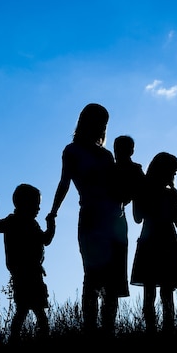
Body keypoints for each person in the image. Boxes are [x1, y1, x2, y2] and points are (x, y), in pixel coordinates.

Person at [48, 103, 129, 336]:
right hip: (92, 218)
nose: (102, 127)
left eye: (105, 122)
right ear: (87, 122)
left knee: (112, 280)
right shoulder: (72, 151)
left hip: (115, 218)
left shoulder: (106, 154)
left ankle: (108, 329)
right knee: (92, 276)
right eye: (99, 121)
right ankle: (91, 330)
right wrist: (54, 211)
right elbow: (64, 182)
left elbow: (117, 186)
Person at [0, 183, 55, 344]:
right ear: (24, 204)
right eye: (36, 205)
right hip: (24, 273)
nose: (38, 209)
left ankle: (30, 337)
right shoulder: (14, 221)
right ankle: (19, 338)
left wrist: (50, 225)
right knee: (28, 310)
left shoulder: (31, 224)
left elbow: (45, 239)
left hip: (32, 273)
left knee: (31, 309)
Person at [130, 152, 177, 334]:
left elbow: (137, 218)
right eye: (173, 172)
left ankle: (152, 331)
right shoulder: (167, 194)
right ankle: (165, 331)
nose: (173, 176)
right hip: (165, 241)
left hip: (151, 240)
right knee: (165, 292)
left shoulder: (145, 190)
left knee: (152, 291)